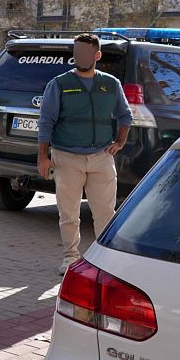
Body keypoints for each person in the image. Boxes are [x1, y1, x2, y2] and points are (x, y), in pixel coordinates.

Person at [36, 33, 132, 276]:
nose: (81, 56)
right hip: (67, 157)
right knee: (69, 213)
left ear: (97, 55)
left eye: (87, 52)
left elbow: (125, 116)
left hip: (101, 158)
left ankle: (103, 259)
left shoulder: (111, 84)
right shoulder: (59, 84)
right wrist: (43, 157)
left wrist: (119, 142)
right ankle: (71, 257)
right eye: (77, 52)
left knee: (105, 214)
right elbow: (46, 122)